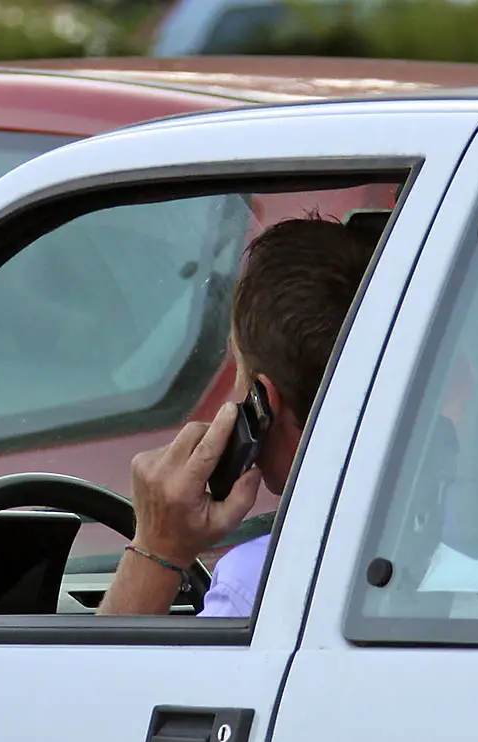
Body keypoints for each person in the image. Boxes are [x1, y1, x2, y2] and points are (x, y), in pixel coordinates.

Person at [99, 216, 378, 617]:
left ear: (263, 399)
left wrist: (156, 549)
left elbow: (102, 681)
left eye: (239, 372)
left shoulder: (262, 586)